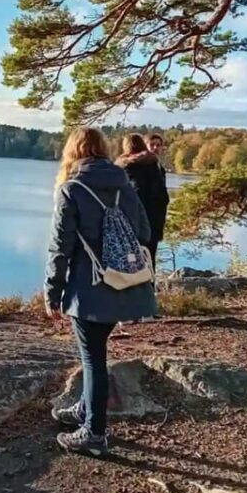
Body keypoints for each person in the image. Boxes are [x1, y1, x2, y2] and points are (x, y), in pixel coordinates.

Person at [46, 127, 156, 457]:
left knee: (93, 358)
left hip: (89, 290)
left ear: (73, 152)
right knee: (96, 352)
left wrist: (53, 292)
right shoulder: (124, 185)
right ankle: (86, 407)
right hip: (124, 285)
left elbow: (60, 248)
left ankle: (94, 433)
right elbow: (145, 232)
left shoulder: (71, 189)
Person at [115, 133, 168, 268]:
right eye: (152, 144)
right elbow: (160, 197)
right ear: (144, 145)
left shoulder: (121, 167)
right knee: (148, 260)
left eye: (158, 145)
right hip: (150, 222)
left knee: (128, 261)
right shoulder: (152, 166)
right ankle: (148, 281)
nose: (155, 148)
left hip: (126, 222)